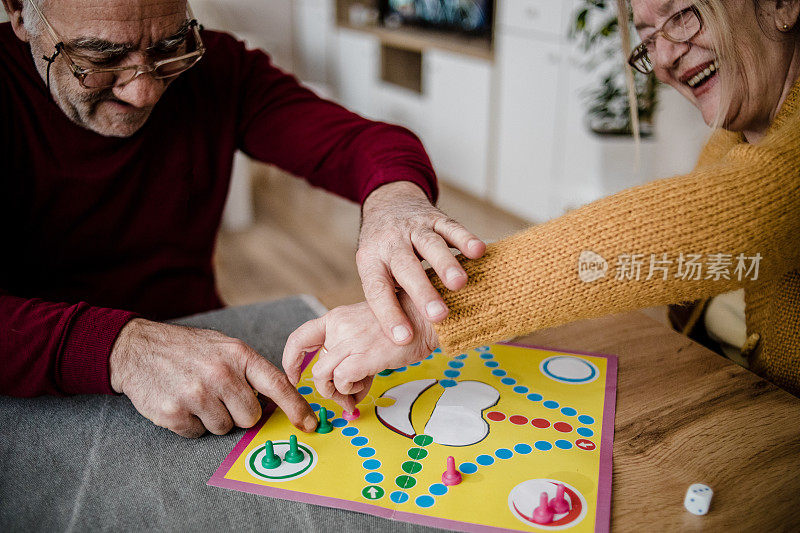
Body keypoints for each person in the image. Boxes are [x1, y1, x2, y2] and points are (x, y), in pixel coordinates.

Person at [0, 0, 486, 438]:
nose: (144, 91)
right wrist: (120, 349)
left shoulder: (220, 67)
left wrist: (395, 199)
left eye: (170, 47)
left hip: (205, 340)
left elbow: (361, 143)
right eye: (99, 59)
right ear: (20, 11)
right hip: (29, 382)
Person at [284, 0, 800, 401]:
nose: (663, 57)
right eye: (647, 40)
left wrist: (427, 316)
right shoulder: (733, 139)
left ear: (782, 4)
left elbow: (737, 222)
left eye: (683, 15)